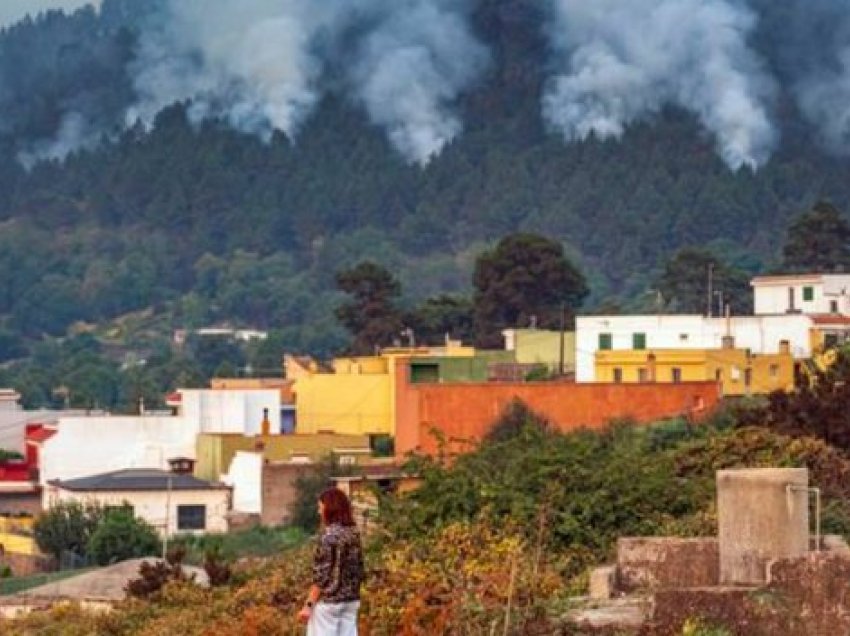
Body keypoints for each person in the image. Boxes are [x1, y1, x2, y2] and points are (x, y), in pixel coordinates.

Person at [297, 487, 365, 635]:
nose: (319, 512)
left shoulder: (329, 537)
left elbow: (321, 576)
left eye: (321, 508)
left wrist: (308, 606)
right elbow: (358, 569)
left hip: (328, 605)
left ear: (330, 509)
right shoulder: (354, 534)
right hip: (350, 602)